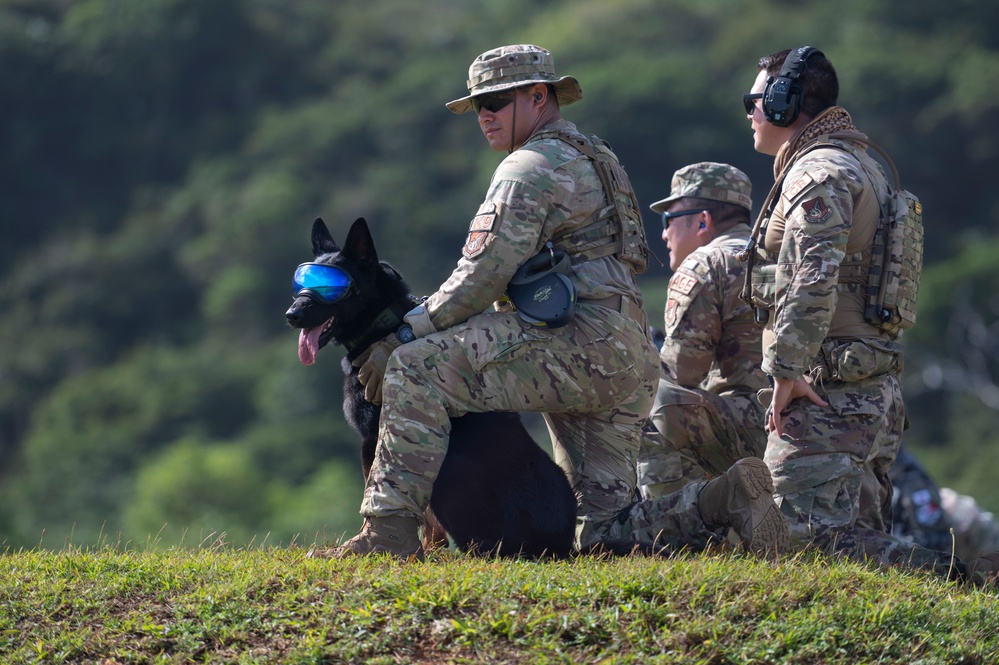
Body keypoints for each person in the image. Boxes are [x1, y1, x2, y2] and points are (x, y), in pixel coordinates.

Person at [330, 44, 787, 558]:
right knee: (602, 528)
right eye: (478, 106)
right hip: (625, 353)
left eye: (497, 102)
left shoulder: (528, 166)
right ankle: (726, 498)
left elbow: (480, 277)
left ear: (539, 96)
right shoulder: (597, 156)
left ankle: (387, 534)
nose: (484, 116)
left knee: (413, 367)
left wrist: (405, 333)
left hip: (574, 342)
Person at [742, 45, 999, 585]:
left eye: (757, 100)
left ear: (788, 102)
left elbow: (812, 276)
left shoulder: (819, 173)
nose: (751, 112)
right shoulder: (859, 165)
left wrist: (786, 369)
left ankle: (975, 578)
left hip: (829, 388)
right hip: (863, 384)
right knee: (850, 538)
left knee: (794, 539)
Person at [637, 163, 768, 500]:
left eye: (669, 220)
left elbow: (682, 372)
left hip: (752, 426)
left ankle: (667, 525)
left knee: (648, 396)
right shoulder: (778, 254)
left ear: (703, 221)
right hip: (797, 421)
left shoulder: (706, 263)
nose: (664, 234)